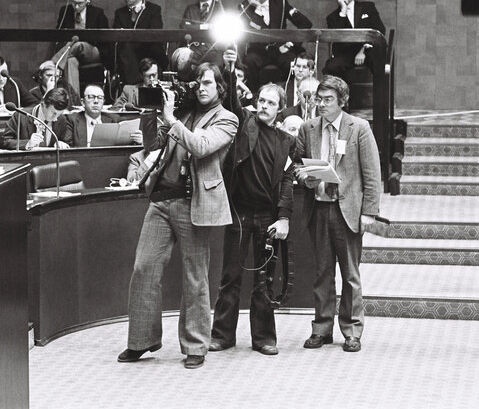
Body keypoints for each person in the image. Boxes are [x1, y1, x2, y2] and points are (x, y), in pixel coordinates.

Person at [117, 63, 238, 370]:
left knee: (194, 276)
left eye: (208, 82)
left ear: (220, 88)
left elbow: (201, 147)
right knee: (144, 267)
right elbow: (153, 146)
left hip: (192, 202)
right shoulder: (182, 113)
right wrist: (150, 114)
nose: (201, 87)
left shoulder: (227, 119)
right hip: (161, 200)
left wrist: (172, 120)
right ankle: (141, 340)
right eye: (198, 82)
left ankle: (195, 345)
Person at [294, 75, 381, 353]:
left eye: (328, 99)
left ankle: (352, 330)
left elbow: (372, 174)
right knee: (321, 273)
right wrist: (303, 177)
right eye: (319, 99)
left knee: (350, 274)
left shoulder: (359, 128)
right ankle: (321, 328)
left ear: (342, 101)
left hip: (349, 211)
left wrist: (369, 212)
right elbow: (296, 165)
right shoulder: (307, 129)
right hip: (318, 207)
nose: (321, 104)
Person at [209, 75, 295, 356]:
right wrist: (231, 70)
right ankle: (222, 336)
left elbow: (286, 181)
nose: (264, 106)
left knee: (265, 282)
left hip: (267, 218)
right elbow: (232, 99)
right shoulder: (244, 123)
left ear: (280, 108)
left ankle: (263, 338)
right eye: (261, 100)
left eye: (271, 103)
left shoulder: (286, 142)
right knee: (230, 277)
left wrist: (283, 217)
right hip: (239, 214)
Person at [238, 0, 312, 90]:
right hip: (259, 52)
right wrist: (257, 10)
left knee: (291, 62)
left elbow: (305, 24)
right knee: (249, 61)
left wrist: (291, 44)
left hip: (280, 50)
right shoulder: (245, 7)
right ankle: (252, 98)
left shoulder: (280, 3)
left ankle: (291, 97)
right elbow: (255, 31)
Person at [51, 0, 109, 94]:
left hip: (92, 51)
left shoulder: (97, 12)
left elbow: (105, 38)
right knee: (70, 62)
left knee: (78, 44)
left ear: (87, 0)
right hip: (71, 53)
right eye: (73, 2)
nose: (76, 6)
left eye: (80, 3)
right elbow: (59, 34)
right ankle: (74, 100)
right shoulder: (65, 11)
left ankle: (53, 64)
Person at [324, 0, 386, 79]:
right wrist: (343, 11)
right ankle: (343, 94)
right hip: (346, 54)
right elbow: (337, 40)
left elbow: (380, 30)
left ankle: (380, 94)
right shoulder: (332, 17)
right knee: (332, 67)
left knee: (377, 59)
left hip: (368, 49)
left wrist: (363, 51)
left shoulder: (368, 8)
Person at [112, 0, 168, 86]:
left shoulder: (154, 10)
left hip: (148, 50)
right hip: (127, 55)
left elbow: (155, 34)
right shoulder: (120, 13)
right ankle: (134, 86)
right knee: (125, 48)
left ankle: (135, 86)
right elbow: (117, 36)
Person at [171, 0, 224, 72]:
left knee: (217, 66)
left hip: (213, 49)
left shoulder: (219, 9)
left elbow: (219, 29)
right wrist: (206, 26)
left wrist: (194, 27)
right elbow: (185, 28)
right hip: (193, 49)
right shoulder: (190, 9)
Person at [65, 84, 142, 147]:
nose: (96, 101)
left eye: (100, 98)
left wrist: (139, 140)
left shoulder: (114, 119)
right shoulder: (72, 120)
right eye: (91, 97)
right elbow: (68, 147)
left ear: (103, 103)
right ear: (83, 102)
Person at [2, 87, 71, 150]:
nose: (55, 118)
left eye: (60, 114)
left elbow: (66, 141)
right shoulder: (21, 116)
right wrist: (28, 143)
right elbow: (5, 141)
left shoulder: (62, 119)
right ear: (43, 104)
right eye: (54, 113)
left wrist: (62, 144)